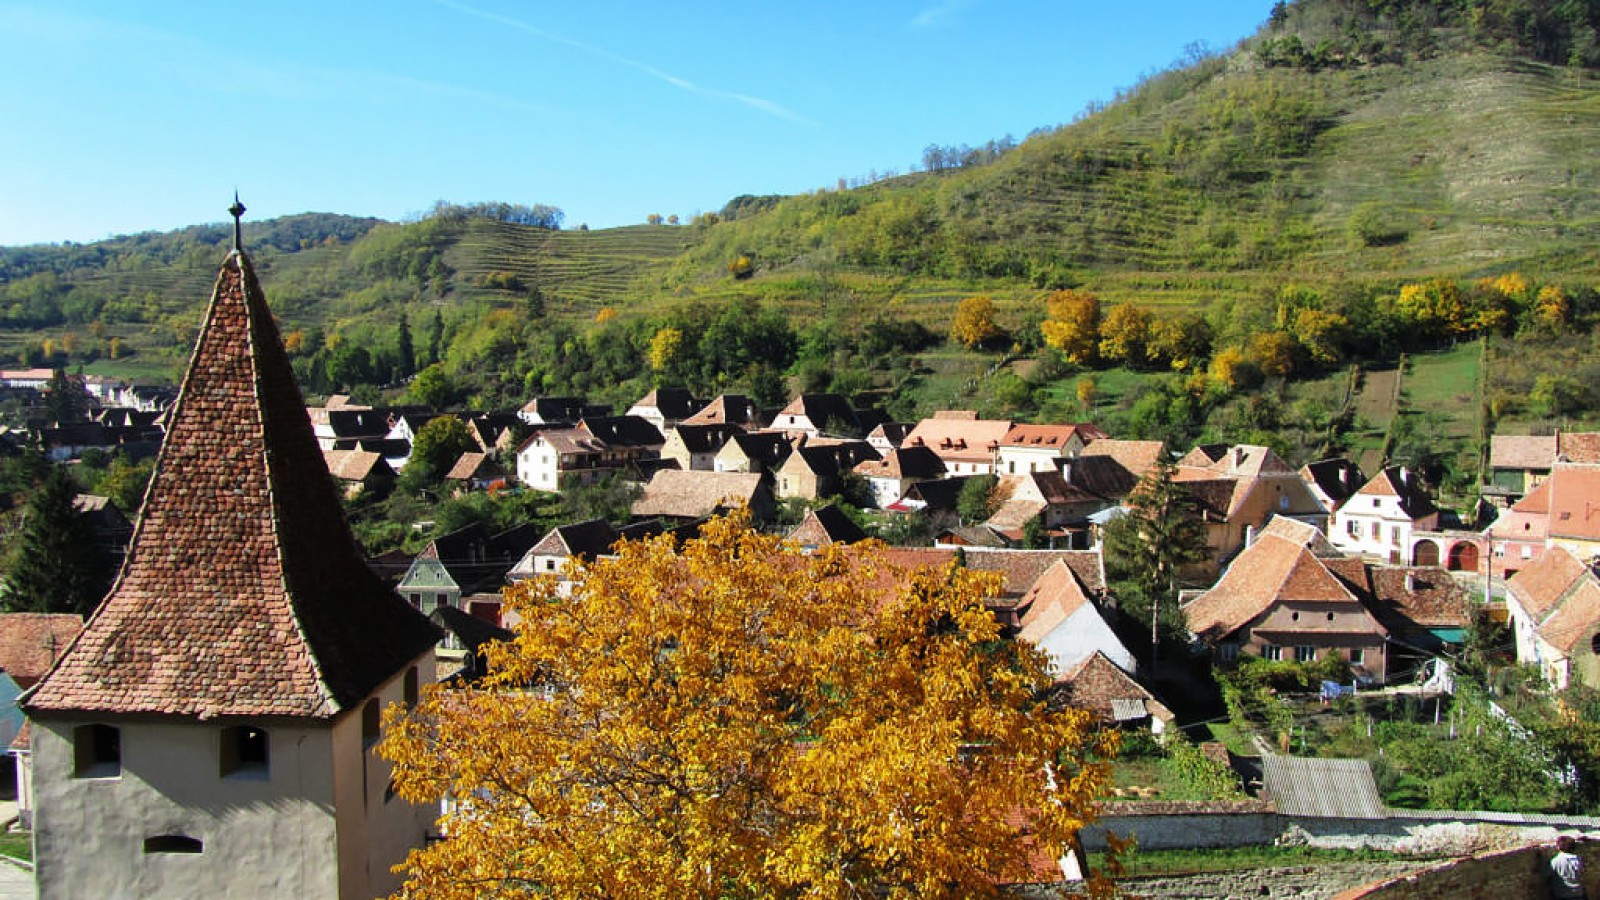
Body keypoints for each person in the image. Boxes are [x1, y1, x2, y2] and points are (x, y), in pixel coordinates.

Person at [1552, 835, 1586, 900]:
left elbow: (1546, 874)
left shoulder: (1555, 861)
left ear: (1558, 847)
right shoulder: (1578, 859)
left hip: (1562, 894)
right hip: (1578, 893)